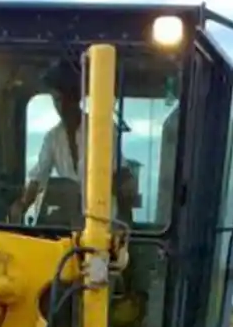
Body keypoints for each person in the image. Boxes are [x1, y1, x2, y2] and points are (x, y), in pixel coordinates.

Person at [9, 59, 137, 224]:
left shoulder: (102, 130)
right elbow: (39, 176)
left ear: (76, 99)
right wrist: (22, 205)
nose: (61, 107)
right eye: (56, 100)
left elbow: (117, 173)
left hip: (103, 223)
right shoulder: (52, 138)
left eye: (65, 99)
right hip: (69, 223)